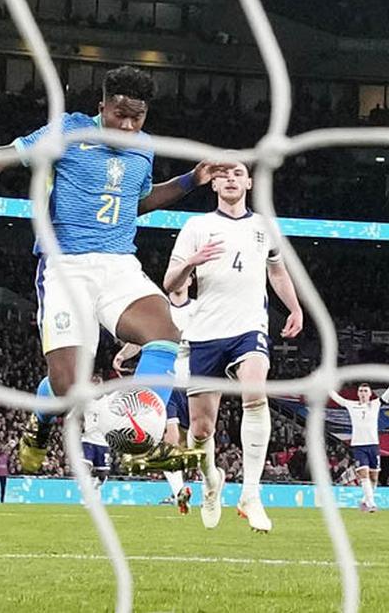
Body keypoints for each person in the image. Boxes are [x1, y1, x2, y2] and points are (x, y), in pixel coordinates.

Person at [0, 66, 230, 474]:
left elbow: (136, 202)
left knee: (164, 331)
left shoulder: (144, 148)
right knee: (68, 388)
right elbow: (15, 152)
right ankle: (41, 421)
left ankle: (145, 435)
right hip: (66, 266)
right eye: (120, 115)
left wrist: (191, 180)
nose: (128, 126)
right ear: (102, 107)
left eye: (137, 117)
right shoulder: (70, 130)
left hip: (118, 263)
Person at [162, 161, 304, 533]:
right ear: (213, 184)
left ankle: (251, 495)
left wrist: (294, 307)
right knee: (200, 430)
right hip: (205, 332)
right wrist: (191, 263)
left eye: (237, 173)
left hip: (249, 326)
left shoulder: (264, 227)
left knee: (255, 392)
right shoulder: (196, 227)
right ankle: (212, 482)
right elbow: (170, 282)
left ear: (249, 183)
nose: (230, 178)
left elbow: (277, 271)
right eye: (223, 174)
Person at [114, 274, 197, 514]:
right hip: (165, 378)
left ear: (190, 281)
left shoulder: (199, 309)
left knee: (199, 436)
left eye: (185, 277)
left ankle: (211, 478)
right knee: (170, 436)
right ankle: (179, 491)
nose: (180, 281)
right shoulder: (159, 308)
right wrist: (123, 355)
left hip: (192, 383)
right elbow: (144, 338)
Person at [329, 362, 389, 514]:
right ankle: (372, 504)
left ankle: (364, 501)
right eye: (360, 391)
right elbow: (336, 397)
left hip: (373, 445)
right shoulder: (351, 405)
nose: (363, 393)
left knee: (374, 479)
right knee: (364, 475)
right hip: (359, 446)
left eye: (365, 391)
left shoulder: (376, 403)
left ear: (370, 393)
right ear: (358, 393)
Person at [80, 375, 111, 489]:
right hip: (87, 439)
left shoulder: (109, 401)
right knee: (85, 465)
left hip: (103, 442)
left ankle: (97, 484)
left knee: (102, 474)